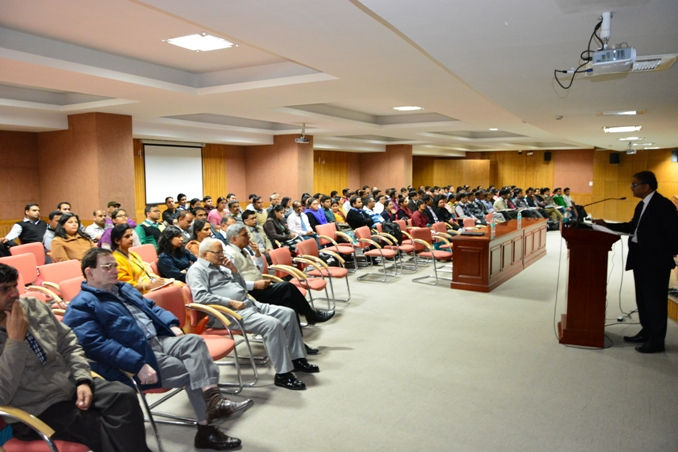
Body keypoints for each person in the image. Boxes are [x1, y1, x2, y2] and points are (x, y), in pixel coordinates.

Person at [63, 249, 249, 450]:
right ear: (89, 272)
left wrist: (171, 324)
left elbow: (152, 307)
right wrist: (137, 364)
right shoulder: (81, 305)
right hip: (136, 356)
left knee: (194, 342)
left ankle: (213, 402)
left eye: (115, 265)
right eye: (107, 267)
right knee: (192, 370)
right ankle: (206, 428)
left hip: (158, 339)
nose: (115, 270)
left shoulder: (124, 289)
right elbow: (96, 345)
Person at [0, 262, 150, 452]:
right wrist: (15, 341)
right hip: (36, 407)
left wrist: (82, 380)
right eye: (4, 289)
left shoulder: (33, 307)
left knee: (124, 395)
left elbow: (69, 344)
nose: (14, 294)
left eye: (14, 286)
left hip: (70, 384)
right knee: (98, 425)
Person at [187, 238, 319, 390]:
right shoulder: (197, 270)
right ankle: (283, 374)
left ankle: (297, 359)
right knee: (272, 324)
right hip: (229, 313)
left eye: (222, 251)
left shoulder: (221, 266)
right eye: (218, 252)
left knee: (288, 314)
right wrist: (230, 302)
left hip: (249, 304)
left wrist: (234, 271)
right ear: (205, 254)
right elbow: (200, 297)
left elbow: (242, 287)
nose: (222, 255)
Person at [593, 170, 678, 353]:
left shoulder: (663, 205)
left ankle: (657, 341)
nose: (631, 188)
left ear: (646, 186)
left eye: (634, 184)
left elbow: (673, 235)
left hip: (655, 262)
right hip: (641, 258)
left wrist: (663, 253)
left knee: (655, 301)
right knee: (643, 299)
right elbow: (633, 227)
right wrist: (607, 225)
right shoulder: (642, 205)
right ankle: (647, 331)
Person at [223, 223, 334, 327]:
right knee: (287, 287)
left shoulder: (245, 250)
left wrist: (257, 254)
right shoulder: (229, 255)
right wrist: (255, 285)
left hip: (261, 285)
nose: (249, 237)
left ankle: (297, 332)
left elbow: (258, 269)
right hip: (250, 293)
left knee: (288, 301)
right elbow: (233, 282)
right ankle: (311, 316)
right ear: (234, 239)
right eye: (245, 235)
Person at [110, 224, 168, 294]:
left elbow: (146, 272)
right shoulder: (115, 260)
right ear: (117, 241)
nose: (131, 238)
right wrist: (148, 286)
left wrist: (157, 281)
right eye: (127, 236)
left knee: (177, 284)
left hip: (151, 283)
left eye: (131, 235)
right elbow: (125, 285)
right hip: (139, 291)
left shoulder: (133, 254)